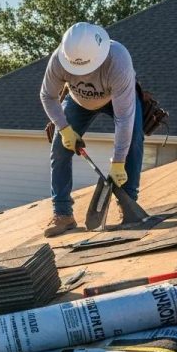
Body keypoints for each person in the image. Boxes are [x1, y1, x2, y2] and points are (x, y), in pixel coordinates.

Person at [40, 22, 144, 237]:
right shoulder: (59, 59)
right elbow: (47, 96)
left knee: (134, 139)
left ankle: (129, 205)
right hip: (78, 101)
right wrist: (65, 128)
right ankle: (63, 214)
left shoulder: (118, 59)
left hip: (116, 99)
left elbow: (124, 118)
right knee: (59, 149)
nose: (83, 75)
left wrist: (118, 162)